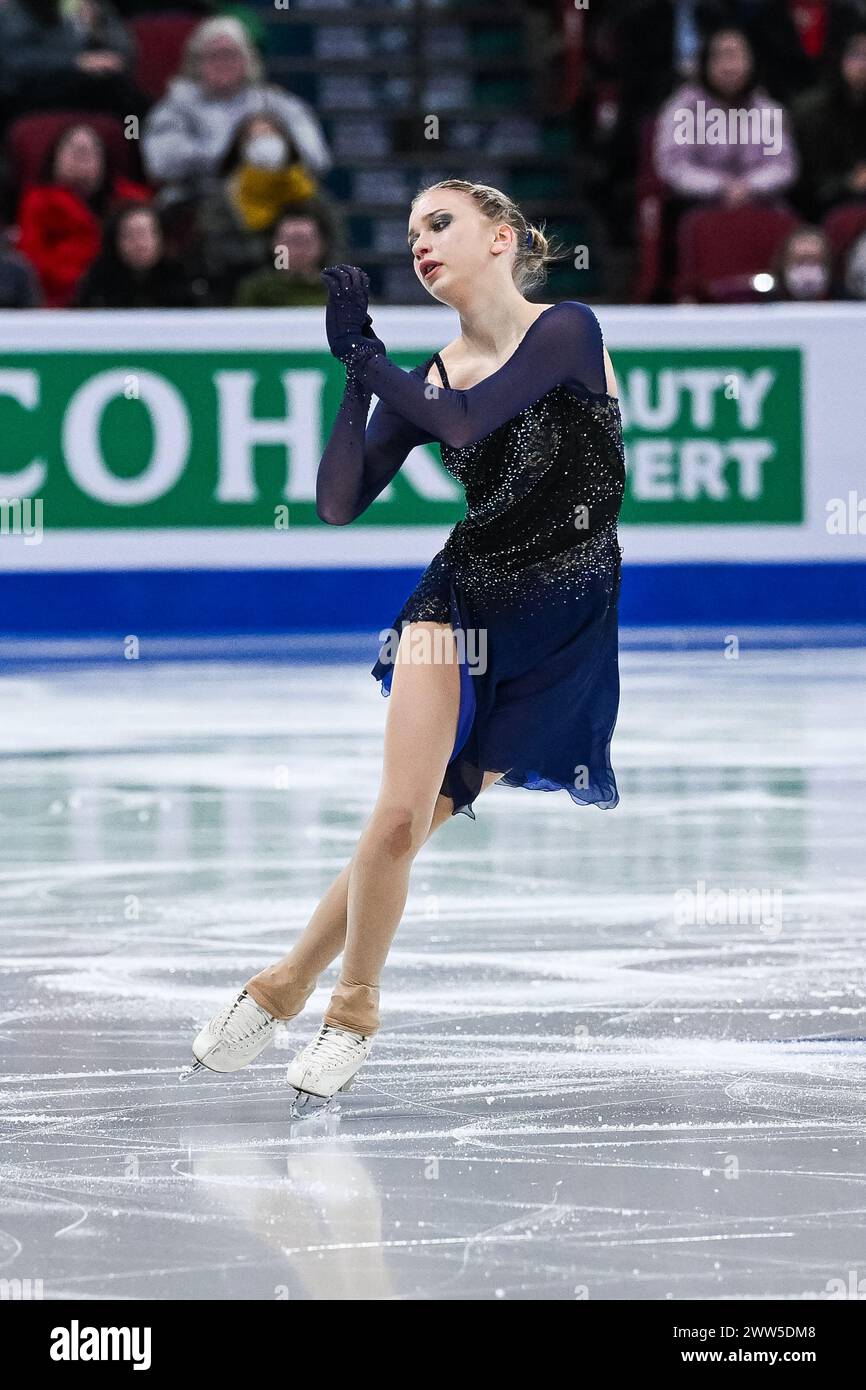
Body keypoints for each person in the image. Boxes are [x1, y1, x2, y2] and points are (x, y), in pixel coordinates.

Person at [187, 179, 626, 1105]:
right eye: (411, 230)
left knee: (421, 824)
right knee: (396, 817)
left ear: (502, 239)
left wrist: (370, 360)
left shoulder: (567, 330)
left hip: (564, 625)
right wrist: (361, 377)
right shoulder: (427, 374)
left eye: (441, 224)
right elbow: (339, 501)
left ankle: (282, 983)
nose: (421, 244)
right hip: (460, 602)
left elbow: (474, 420)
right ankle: (354, 1008)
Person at [142, 17, 332, 211]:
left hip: (269, 201)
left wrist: (272, 154)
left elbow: (317, 158)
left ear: (248, 59)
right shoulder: (175, 106)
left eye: (231, 54)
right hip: (196, 203)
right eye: (214, 55)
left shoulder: (275, 103)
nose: (222, 63)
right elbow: (160, 163)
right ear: (196, 61)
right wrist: (235, 154)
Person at [17, 123, 150, 307]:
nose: (83, 158)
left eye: (90, 152)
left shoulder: (130, 201)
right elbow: (31, 261)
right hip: (59, 304)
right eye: (75, 152)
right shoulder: (39, 203)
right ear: (55, 158)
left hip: (125, 299)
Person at [195, 113, 319, 304]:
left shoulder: (306, 192)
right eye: (254, 138)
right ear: (240, 146)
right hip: (240, 289)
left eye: (271, 136)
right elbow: (216, 250)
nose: (264, 143)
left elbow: (334, 242)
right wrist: (273, 255)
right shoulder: (224, 197)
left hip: (310, 288)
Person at [0, 0, 143, 121]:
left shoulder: (89, 5)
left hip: (86, 87)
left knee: (131, 100)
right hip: (30, 94)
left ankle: (132, 139)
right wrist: (76, 62)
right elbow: (17, 62)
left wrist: (96, 33)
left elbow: (125, 52)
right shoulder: (13, 11)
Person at [793, 26, 866, 221]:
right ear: (840, 56)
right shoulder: (811, 110)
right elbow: (806, 182)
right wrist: (847, 182)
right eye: (857, 54)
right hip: (822, 211)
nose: (863, 65)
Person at [75, 202, 198, 307]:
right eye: (130, 235)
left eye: (145, 234)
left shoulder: (183, 279)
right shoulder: (98, 283)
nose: (139, 243)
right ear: (115, 241)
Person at [233, 200, 339, 308]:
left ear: (323, 244)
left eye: (305, 241)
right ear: (274, 244)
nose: (298, 249)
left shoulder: (339, 290)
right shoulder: (256, 290)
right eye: (290, 241)